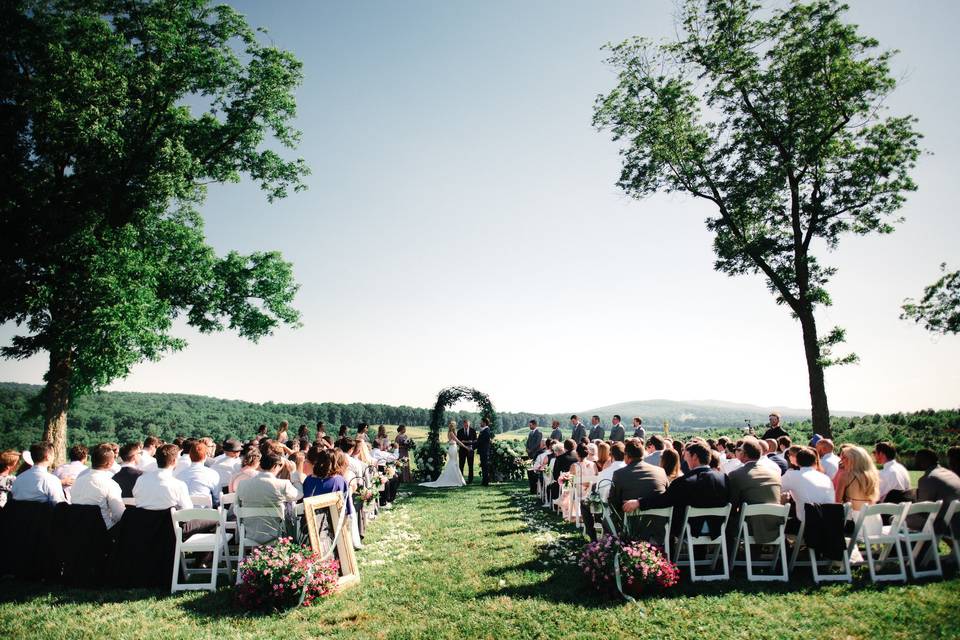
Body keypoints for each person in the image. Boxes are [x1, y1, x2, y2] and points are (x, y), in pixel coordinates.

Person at [633, 443, 730, 541]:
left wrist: (639, 502)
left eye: (686, 456)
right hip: (717, 530)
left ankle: (669, 553)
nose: (684, 460)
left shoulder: (684, 482)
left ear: (695, 457)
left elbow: (663, 500)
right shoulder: (724, 478)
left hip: (690, 530)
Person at [235, 448, 303, 544]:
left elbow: (236, 507)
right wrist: (293, 474)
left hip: (249, 534)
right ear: (275, 466)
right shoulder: (282, 484)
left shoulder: (242, 484)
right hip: (276, 534)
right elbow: (299, 494)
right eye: (280, 466)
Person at [609, 438, 668, 538]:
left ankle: (610, 546)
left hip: (632, 528)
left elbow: (614, 502)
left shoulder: (619, 474)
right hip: (659, 526)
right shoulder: (661, 471)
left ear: (626, 456)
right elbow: (666, 496)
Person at [727, 438, 782, 543]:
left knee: (726, 520)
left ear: (744, 454)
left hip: (750, 527)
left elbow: (732, 504)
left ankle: (728, 557)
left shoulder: (736, 474)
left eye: (739, 450)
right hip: (775, 525)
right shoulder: (774, 472)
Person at [71, 443, 126, 529]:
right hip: (103, 533)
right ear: (110, 463)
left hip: (77, 530)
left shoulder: (77, 481)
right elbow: (119, 515)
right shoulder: (110, 484)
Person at [781, 447, 835, 530]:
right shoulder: (825, 478)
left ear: (797, 462)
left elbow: (776, 489)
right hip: (830, 520)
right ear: (815, 461)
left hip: (807, 520)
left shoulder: (792, 475)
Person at [908, 448, 960, 533]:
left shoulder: (928, 478)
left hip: (945, 524)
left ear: (923, 461)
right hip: (955, 519)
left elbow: (923, 509)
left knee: (896, 519)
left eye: (917, 459)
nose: (915, 462)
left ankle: (915, 546)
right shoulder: (950, 473)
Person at [835, 445, 881, 534]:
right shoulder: (873, 475)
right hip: (875, 521)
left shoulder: (845, 475)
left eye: (845, 458)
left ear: (854, 459)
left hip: (855, 524)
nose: (841, 460)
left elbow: (837, 502)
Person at [132, 444, 193, 510]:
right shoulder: (179, 485)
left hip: (142, 519)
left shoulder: (141, 480)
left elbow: (136, 498)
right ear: (174, 461)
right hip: (167, 519)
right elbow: (187, 509)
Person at [303, 449, 353, 517]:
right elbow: (346, 508)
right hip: (333, 522)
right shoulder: (339, 480)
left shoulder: (308, 480)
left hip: (310, 519)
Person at [420, 422, 468, 488]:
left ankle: (455, 478)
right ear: (453, 426)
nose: (455, 427)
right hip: (453, 448)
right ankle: (454, 479)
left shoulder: (450, 432)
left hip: (453, 448)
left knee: (453, 462)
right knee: (453, 463)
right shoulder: (451, 433)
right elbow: (458, 441)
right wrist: (465, 447)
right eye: (455, 426)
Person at [175, 441, 222, 507]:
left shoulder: (179, 476)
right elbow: (217, 498)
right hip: (206, 515)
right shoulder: (213, 474)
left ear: (190, 456)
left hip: (185, 515)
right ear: (205, 456)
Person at [457, 419, 478, 483]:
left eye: (467, 425)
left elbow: (475, 440)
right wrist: (467, 442)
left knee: (470, 465)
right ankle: (461, 480)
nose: (466, 426)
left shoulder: (473, 431)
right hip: (462, 451)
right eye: (465, 425)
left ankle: (470, 480)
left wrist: (470, 443)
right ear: (463, 424)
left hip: (470, 450)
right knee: (461, 465)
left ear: (469, 424)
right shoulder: (459, 431)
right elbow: (458, 441)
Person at [477, 417, 495, 486]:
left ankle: (485, 482)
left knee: (485, 466)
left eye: (481, 422)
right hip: (483, 451)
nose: (480, 423)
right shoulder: (484, 430)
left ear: (484, 423)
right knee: (484, 466)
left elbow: (481, 442)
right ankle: (484, 481)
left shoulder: (486, 430)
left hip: (484, 451)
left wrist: (473, 446)